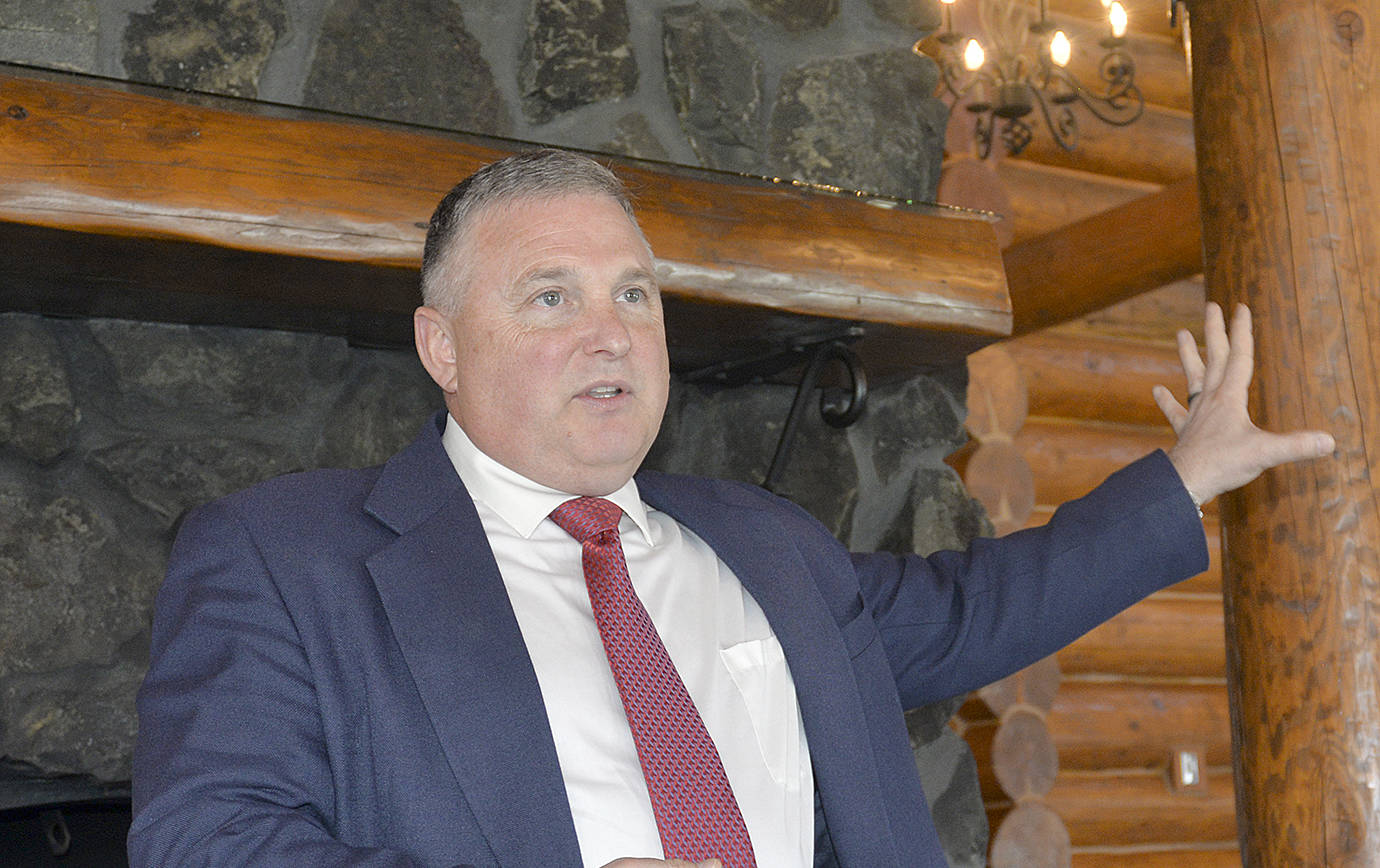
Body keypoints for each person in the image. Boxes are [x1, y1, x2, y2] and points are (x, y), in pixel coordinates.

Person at [127, 149, 1334, 868]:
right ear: (441, 346)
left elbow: (975, 608)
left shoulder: (760, 538)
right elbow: (206, 844)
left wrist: (1185, 476)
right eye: (551, 296)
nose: (612, 331)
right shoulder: (285, 556)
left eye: (637, 293)